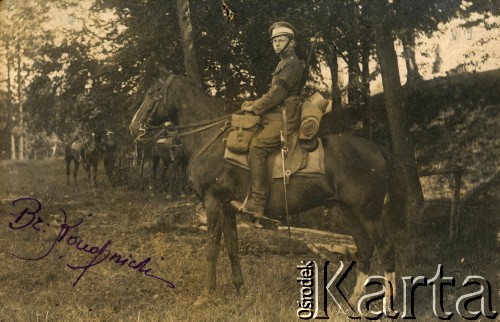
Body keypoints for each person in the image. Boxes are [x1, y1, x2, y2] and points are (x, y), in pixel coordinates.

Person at [230, 21, 304, 220]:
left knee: (257, 147)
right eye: (275, 41)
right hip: (274, 115)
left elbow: (277, 95)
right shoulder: (283, 63)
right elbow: (272, 93)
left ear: (291, 43)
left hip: (284, 118)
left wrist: (254, 107)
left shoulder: (292, 63)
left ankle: (258, 203)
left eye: (281, 40)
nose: (277, 44)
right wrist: (253, 103)